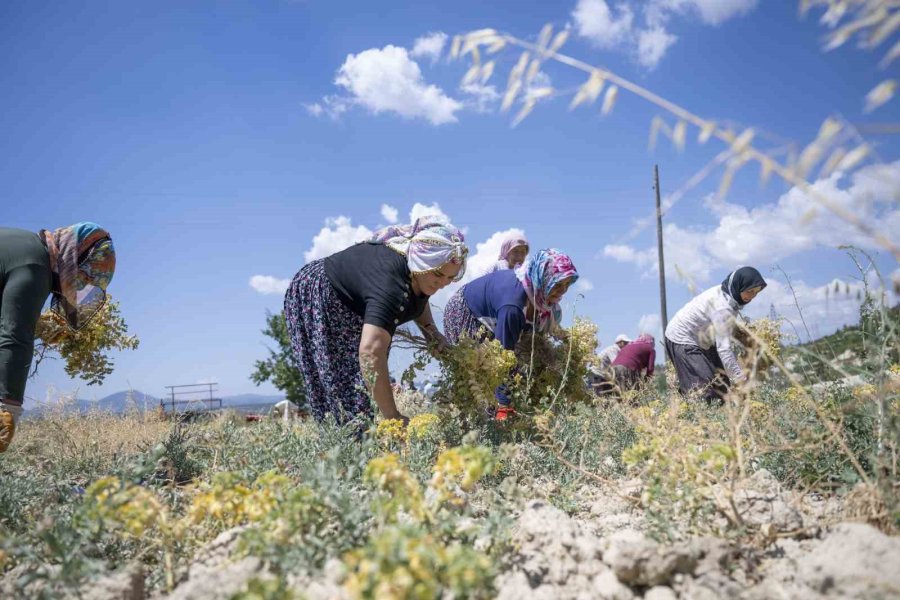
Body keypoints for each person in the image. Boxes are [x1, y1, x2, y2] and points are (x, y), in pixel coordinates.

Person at [284, 216, 467, 429]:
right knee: (348, 399)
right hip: (320, 295)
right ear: (421, 262)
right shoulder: (392, 287)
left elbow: (419, 298)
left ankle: (361, 448)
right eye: (438, 274)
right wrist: (393, 417)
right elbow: (370, 353)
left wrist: (431, 333)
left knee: (364, 392)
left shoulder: (420, 276)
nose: (443, 283)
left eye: (450, 278)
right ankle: (349, 455)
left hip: (352, 306)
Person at [0, 223, 116, 453]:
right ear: (74, 256)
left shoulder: (24, 244)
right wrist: (7, 410)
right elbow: (14, 338)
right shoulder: (35, 265)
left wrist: (36, 324)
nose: (76, 290)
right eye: (81, 280)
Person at [443, 248, 578, 420]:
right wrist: (504, 406)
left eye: (566, 285)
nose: (562, 291)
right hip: (466, 312)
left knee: (517, 370)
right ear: (542, 279)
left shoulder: (536, 295)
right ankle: (481, 423)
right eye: (557, 284)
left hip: (495, 319)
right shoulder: (512, 307)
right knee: (479, 379)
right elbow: (503, 356)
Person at [664, 266, 767, 404]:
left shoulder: (728, 293)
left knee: (722, 386)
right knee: (704, 389)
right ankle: (692, 420)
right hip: (682, 337)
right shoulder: (724, 307)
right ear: (739, 285)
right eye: (750, 291)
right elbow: (724, 349)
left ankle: (723, 421)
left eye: (756, 293)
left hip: (703, 339)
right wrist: (741, 379)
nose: (752, 297)